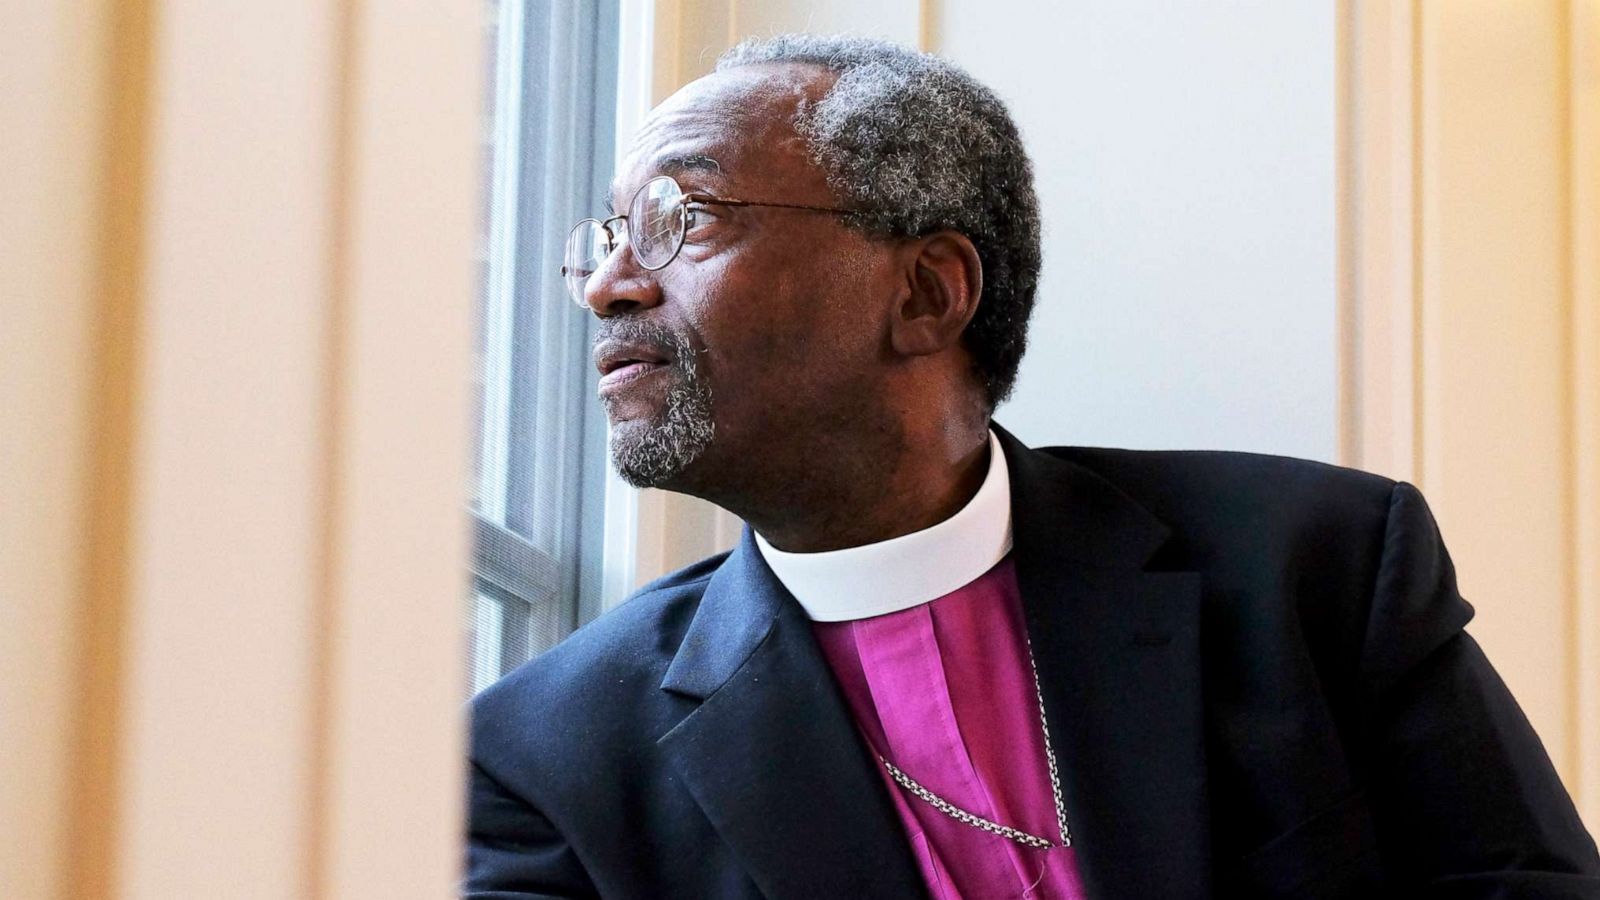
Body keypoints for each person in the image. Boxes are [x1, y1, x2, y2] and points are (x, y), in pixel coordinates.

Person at [465, 34, 1600, 899]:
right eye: (605, 238)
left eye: (679, 217)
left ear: (925, 294)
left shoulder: (1318, 566)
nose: (610, 283)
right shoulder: (545, 760)